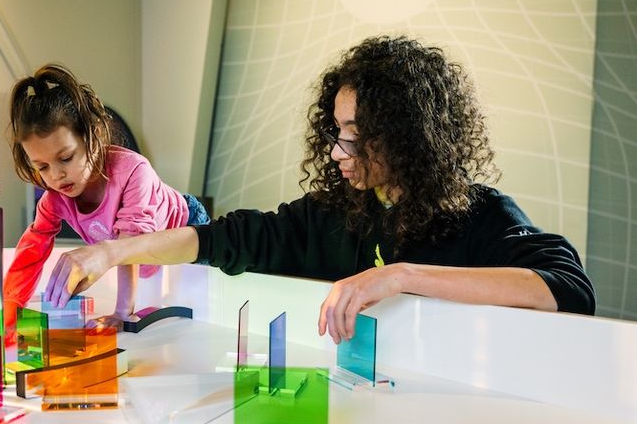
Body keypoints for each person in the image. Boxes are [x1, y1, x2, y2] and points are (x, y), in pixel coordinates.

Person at [42, 36, 596, 343]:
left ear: (407, 140)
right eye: (336, 135)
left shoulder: (479, 214)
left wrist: (399, 277)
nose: (336, 153)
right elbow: (228, 238)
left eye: (355, 139)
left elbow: (568, 289)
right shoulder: (335, 212)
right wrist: (115, 250)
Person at [3, 63, 211, 336]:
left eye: (66, 158)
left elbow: (128, 245)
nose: (56, 175)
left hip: (185, 225)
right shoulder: (54, 198)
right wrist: (9, 310)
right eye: (42, 167)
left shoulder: (134, 171)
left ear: (93, 136)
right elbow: (32, 249)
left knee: (203, 311)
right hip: (145, 256)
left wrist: (122, 313)